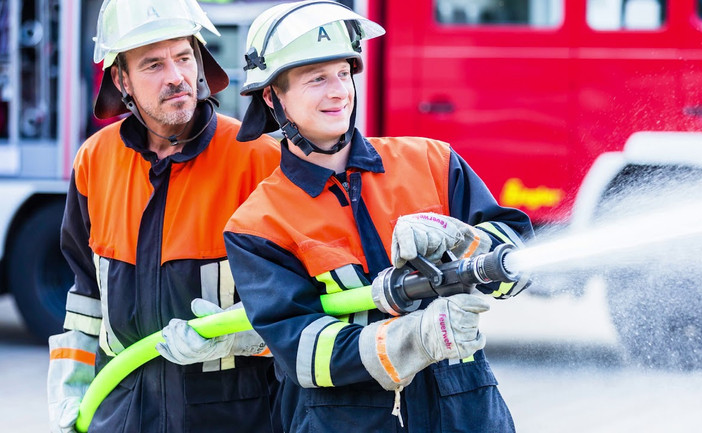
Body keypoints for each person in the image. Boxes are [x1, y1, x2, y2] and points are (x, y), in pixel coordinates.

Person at [223, 1, 534, 431]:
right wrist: (416, 339)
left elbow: (519, 269)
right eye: (316, 78)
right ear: (272, 96)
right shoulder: (259, 224)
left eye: (343, 73)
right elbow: (304, 352)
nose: (339, 92)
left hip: (467, 416)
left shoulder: (432, 162)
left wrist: (463, 240)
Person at [46, 1, 282, 432]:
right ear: (121, 80)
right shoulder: (95, 160)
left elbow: (299, 303)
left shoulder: (258, 160)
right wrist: (72, 386)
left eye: (184, 57)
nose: (176, 76)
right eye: (153, 64)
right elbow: (85, 296)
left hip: (234, 418)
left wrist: (238, 338)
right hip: (120, 415)